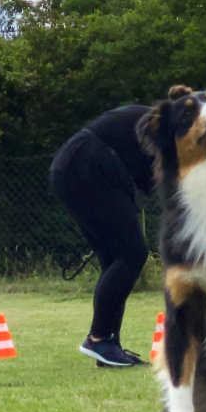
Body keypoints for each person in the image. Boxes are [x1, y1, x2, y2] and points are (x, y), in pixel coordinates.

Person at [49, 104, 156, 368]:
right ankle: (98, 339)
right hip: (86, 167)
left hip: (77, 167)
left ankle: (108, 345)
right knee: (132, 253)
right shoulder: (171, 128)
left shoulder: (166, 126)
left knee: (115, 258)